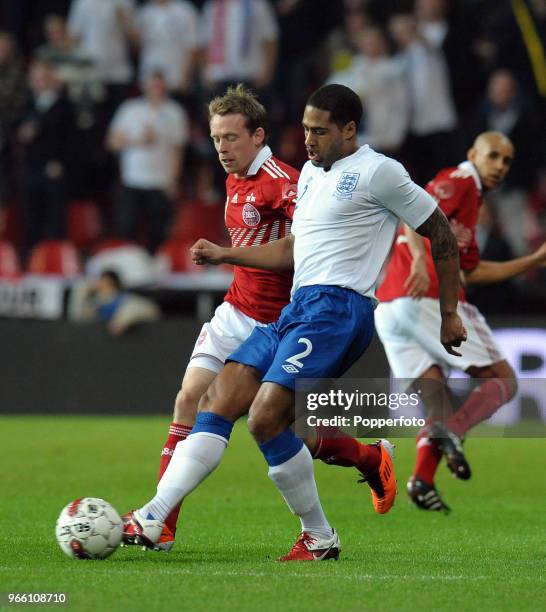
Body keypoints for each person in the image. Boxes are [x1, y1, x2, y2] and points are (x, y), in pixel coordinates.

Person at [122, 84, 466, 561]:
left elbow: (440, 230)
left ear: (349, 130)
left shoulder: (380, 171)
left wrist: (448, 312)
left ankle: (318, 537)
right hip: (297, 308)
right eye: (305, 128)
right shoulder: (309, 173)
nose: (307, 139)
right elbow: (291, 250)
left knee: (265, 418)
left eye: (319, 130)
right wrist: (226, 254)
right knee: (216, 398)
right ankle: (155, 515)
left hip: (340, 311)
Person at [375, 131, 546, 512]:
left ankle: (421, 481)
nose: (500, 165)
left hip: (391, 308)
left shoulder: (471, 201)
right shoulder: (460, 179)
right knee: (503, 379)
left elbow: (473, 270)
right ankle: (451, 433)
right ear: (474, 153)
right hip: (428, 297)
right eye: (494, 156)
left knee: (438, 405)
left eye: (507, 160)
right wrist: (420, 260)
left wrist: (532, 261)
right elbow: (415, 213)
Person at [107, 71, 189, 252]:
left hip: (160, 182)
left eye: (159, 85)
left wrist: (173, 180)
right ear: (144, 86)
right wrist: (137, 140)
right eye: (152, 84)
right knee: (127, 229)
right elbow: (112, 142)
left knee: (159, 233)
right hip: (133, 180)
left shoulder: (175, 112)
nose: (155, 89)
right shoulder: (130, 109)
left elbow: (178, 149)